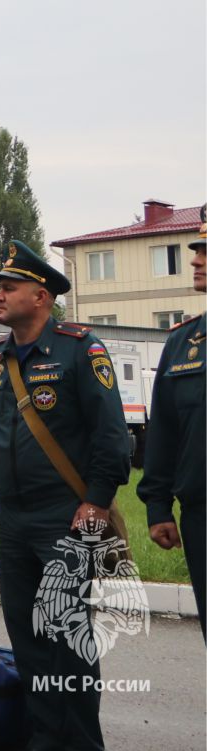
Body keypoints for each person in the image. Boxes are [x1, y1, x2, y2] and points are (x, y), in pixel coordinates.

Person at [0, 242, 133, 751]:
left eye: (8, 287)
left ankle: (82, 746)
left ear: (40, 296)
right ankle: (45, 737)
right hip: (13, 517)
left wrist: (98, 499)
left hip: (66, 512)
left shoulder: (80, 349)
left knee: (70, 635)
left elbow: (110, 434)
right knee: (27, 635)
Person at [139, 205, 205, 636]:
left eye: (206, 253)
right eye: (197, 251)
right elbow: (163, 431)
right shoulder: (183, 342)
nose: (196, 260)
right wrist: (157, 505)